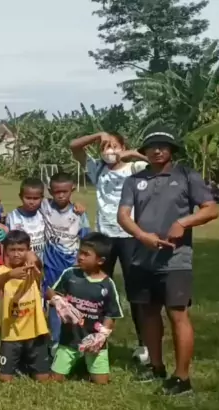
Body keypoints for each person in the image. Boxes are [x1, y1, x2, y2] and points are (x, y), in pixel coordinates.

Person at [118, 126, 219, 395]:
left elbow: (211, 209)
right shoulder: (134, 180)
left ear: (172, 150)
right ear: (145, 151)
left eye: (163, 146)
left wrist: (183, 222)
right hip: (142, 258)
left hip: (176, 259)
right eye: (152, 146)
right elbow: (123, 216)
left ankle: (182, 378)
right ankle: (156, 366)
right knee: (149, 313)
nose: (157, 150)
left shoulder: (186, 176)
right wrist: (142, 236)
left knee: (177, 314)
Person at [71, 131, 149, 364]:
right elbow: (74, 146)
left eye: (114, 146)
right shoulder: (98, 169)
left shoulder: (134, 169)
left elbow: (156, 164)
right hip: (104, 237)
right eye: (105, 147)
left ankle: (144, 344)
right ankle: (90, 338)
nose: (109, 150)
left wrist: (132, 153)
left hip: (130, 236)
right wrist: (98, 135)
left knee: (136, 292)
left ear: (123, 147)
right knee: (94, 289)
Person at [48, 233, 123, 385]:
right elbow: (50, 292)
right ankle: (69, 360)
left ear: (100, 261)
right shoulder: (70, 274)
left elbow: (111, 314)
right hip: (69, 338)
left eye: (86, 254)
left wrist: (102, 336)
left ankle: (87, 364)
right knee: (55, 380)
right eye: (80, 252)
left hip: (94, 342)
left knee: (101, 383)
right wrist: (57, 301)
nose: (80, 257)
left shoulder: (107, 284)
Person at [0, 230, 49, 383]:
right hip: (11, 334)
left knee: (44, 378)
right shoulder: (1, 271)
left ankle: (26, 366)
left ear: (28, 250)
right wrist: (10, 275)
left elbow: (39, 268)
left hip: (35, 332)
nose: (16, 254)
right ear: (6, 251)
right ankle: (17, 366)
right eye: (12, 250)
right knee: (4, 379)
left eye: (21, 250)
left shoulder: (32, 268)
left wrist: (32, 256)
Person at [41, 171, 90, 345]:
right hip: (50, 266)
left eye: (65, 191)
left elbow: (86, 240)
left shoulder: (79, 213)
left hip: (71, 267)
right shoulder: (45, 206)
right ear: (50, 191)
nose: (61, 195)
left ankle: (73, 339)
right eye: (56, 192)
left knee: (73, 304)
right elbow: (29, 199)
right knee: (54, 302)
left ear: (72, 190)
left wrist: (82, 262)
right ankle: (55, 340)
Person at [6, 178, 47, 257]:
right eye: (28, 198)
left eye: (36, 198)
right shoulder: (12, 217)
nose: (31, 202)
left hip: (40, 262)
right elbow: (7, 243)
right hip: (20, 261)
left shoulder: (44, 213)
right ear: (21, 197)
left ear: (42, 198)